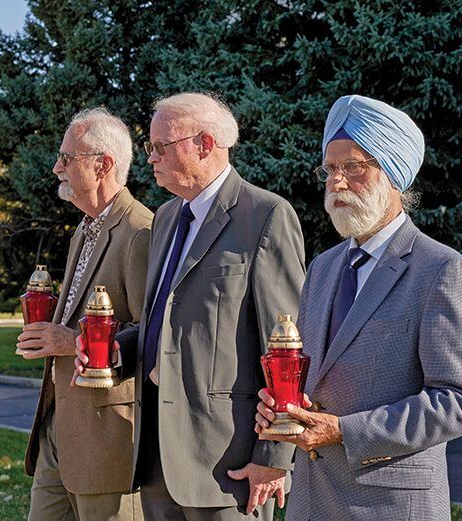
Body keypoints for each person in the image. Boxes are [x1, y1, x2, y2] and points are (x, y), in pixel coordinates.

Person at [254, 94, 462, 520]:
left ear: (394, 174)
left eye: (354, 167)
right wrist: (286, 408)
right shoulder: (322, 267)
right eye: (330, 169)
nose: (337, 183)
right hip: (312, 500)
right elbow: (318, 378)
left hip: (391, 504)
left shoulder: (441, 269)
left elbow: (461, 403)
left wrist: (345, 431)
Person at [75, 92, 306, 520]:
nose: (150, 157)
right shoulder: (165, 217)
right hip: (157, 454)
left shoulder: (266, 215)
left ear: (204, 144)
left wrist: (274, 456)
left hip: (227, 463)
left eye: (160, 146)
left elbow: (286, 346)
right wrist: (115, 351)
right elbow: (162, 321)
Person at [17, 107, 152, 520]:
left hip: (107, 439)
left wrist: (69, 341)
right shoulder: (85, 227)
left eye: (67, 158)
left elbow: (152, 334)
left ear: (102, 165)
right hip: (58, 426)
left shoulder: (141, 231)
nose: (56, 167)